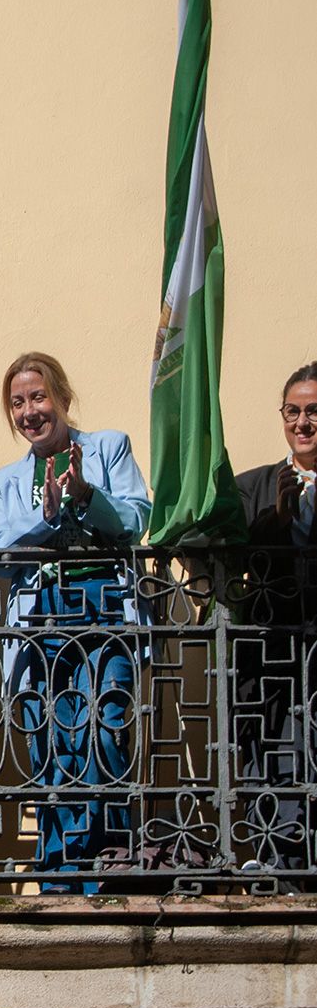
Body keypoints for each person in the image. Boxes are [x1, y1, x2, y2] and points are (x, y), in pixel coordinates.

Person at [0, 352, 149, 894]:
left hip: (102, 603)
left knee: (102, 732)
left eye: (38, 397)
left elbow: (137, 520)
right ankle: (58, 878)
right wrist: (45, 518)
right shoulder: (6, 481)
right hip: (41, 616)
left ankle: (109, 871)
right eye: (18, 403)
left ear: (62, 397)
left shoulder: (108, 447)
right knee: (51, 743)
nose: (29, 411)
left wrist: (85, 495)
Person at [232, 362, 317, 878]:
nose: (303, 422)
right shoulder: (253, 486)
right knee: (277, 761)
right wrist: (277, 518)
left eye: (313, 412)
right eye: (294, 411)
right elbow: (228, 554)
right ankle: (284, 874)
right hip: (272, 663)